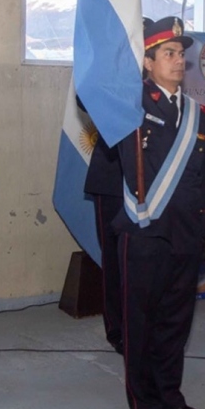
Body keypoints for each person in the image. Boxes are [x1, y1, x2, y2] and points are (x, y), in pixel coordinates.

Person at [112, 17, 205, 409]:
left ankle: (170, 394)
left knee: (176, 321)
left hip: (187, 234)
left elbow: (204, 180)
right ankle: (145, 401)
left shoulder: (199, 115)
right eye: (168, 53)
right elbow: (90, 101)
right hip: (145, 233)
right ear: (148, 62)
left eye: (180, 54)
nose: (178, 61)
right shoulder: (128, 106)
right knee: (142, 321)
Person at [84, 133, 124, 354]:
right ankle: (117, 330)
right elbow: (85, 99)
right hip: (112, 178)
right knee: (113, 259)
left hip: (151, 178)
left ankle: (142, 325)